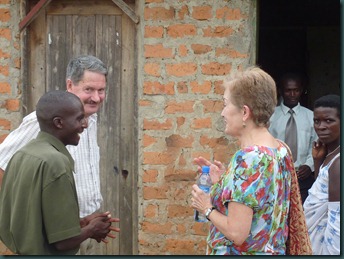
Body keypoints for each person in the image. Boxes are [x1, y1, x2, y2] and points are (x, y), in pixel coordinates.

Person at [0, 55, 110, 255]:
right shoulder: (41, 121)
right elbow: (3, 165)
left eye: (101, 90)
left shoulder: (89, 120)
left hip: (79, 229)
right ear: (70, 84)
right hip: (54, 240)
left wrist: (83, 223)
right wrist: (28, 226)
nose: (96, 97)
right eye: (89, 90)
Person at [191, 66, 299, 255]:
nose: (223, 113)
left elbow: (236, 233)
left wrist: (205, 207)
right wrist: (224, 181)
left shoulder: (248, 160)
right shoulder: (280, 149)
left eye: (226, 104)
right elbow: (260, 203)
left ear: (244, 113)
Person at [268, 73, 317, 204]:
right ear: (280, 91)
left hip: (302, 177)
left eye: (296, 90)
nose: (292, 94)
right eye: (288, 90)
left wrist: (309, 165)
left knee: (301, 216)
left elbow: (316, 145)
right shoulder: (270, 117)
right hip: (276, 175)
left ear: (301, 91)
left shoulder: (311, 117)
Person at [303, 94, 340, 255]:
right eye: (317, 121)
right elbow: (321, 193)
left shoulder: (338, 164)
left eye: (329, 121)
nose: (321, 126)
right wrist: (317, 160)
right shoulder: (329, 156)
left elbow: (337, 221)